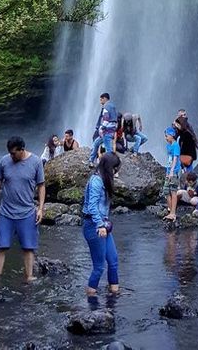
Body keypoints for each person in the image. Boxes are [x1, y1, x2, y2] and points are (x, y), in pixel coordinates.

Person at [0, 136, 45, 282]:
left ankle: (29, 277)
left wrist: (41, 208)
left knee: (28, 248)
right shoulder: (4, 161)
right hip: (6, 212)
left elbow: (41, 186)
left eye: (14, 153)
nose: (11, 156)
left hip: (27, 212)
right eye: (10, 153)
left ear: (22, 150)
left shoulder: (36, 162)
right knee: (1, 246)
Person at [82, 151, 120, 297]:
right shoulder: (96, 181)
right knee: (99, 267)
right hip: (94, 225)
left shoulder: (105, 179)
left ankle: (114, 296)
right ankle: (91, 299)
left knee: (113, 260)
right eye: (115, 169)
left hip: (103, 224)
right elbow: (92, 207)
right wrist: (100, 225)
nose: (116, 172)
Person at [91, 92, 118, 162]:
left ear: (105, 98)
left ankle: (111, 165)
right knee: (96, 144)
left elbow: (106, 119)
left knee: (108, 149)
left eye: (101, 100)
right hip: (112, 130)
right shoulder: (113, 107)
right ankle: (91, 161)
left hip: (106, 131)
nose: (100, 102)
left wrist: (101, 128)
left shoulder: (106, 107)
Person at [164, 126, 182, 221]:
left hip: (174, 171)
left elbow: (175, 159)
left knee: (173, 191)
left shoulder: (176, 146)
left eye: (167, 136)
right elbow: (169, 159)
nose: (165, 138)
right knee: (166, 191)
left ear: (172, 136)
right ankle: (170, 211)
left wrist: (171, 171)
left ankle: (173, 213)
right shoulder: (168, 145)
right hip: (168, 171)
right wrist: (167, 171)